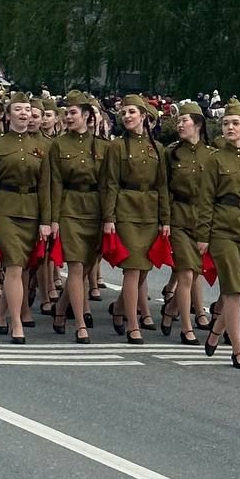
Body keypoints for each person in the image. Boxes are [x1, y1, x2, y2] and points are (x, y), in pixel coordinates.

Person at [196, 99, 240, 369]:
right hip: (222, 230)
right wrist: (203, 235)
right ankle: (238, 349)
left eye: (235, 123)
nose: (230, 128)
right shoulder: (214, 160)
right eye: (225, 123)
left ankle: (216, 331)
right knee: (234, 289)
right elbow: (205, 201)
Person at [100, 94, 170, 345]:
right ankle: (132, 324)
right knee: (132, 270)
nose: (127, 116)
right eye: (124, 113)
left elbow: (162, 186)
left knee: (143, 271)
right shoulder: (116, 147)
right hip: (127, 212)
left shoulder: (158, 149)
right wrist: (110, 217)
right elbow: (110, 184)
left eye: (132, 112)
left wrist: (165, 219)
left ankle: (119, 309)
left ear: (145, 117)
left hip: (149, 212)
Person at [0, 92, 50, 343]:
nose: (24, 113)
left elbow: (46, 186)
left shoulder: (42, 147)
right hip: (5, 210)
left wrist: (46, 220)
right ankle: (17, 322)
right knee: (14, 267)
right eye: (18, 109)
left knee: (24, 269)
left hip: (32, 211)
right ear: (8, 116)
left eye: (27, 109)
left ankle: (0, 313)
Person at [40, 90, 107, 343]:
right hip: (69, 209)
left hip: (94, 210)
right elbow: (53, 183)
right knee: (76, 266)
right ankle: (79, 324)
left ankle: (60, 310)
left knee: (88, 265)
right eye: (66, 113)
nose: (68, 117)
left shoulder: (102, 146)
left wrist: (108, 217)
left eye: (73, 113)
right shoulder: (58, 145)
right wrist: (53, 219)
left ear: (87, 116)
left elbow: (107, 185)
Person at [162, 101, 213, 345]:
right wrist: (165, 220)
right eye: (178, 121)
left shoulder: (212, 155)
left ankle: (171, 310)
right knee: (186, 274)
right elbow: (164, 189)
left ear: (199, 124)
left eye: (185, 121)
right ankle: (186, 327)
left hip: (202, 220)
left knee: (195, 271)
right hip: (179, 217)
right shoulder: (171, 153)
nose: (179, 125)